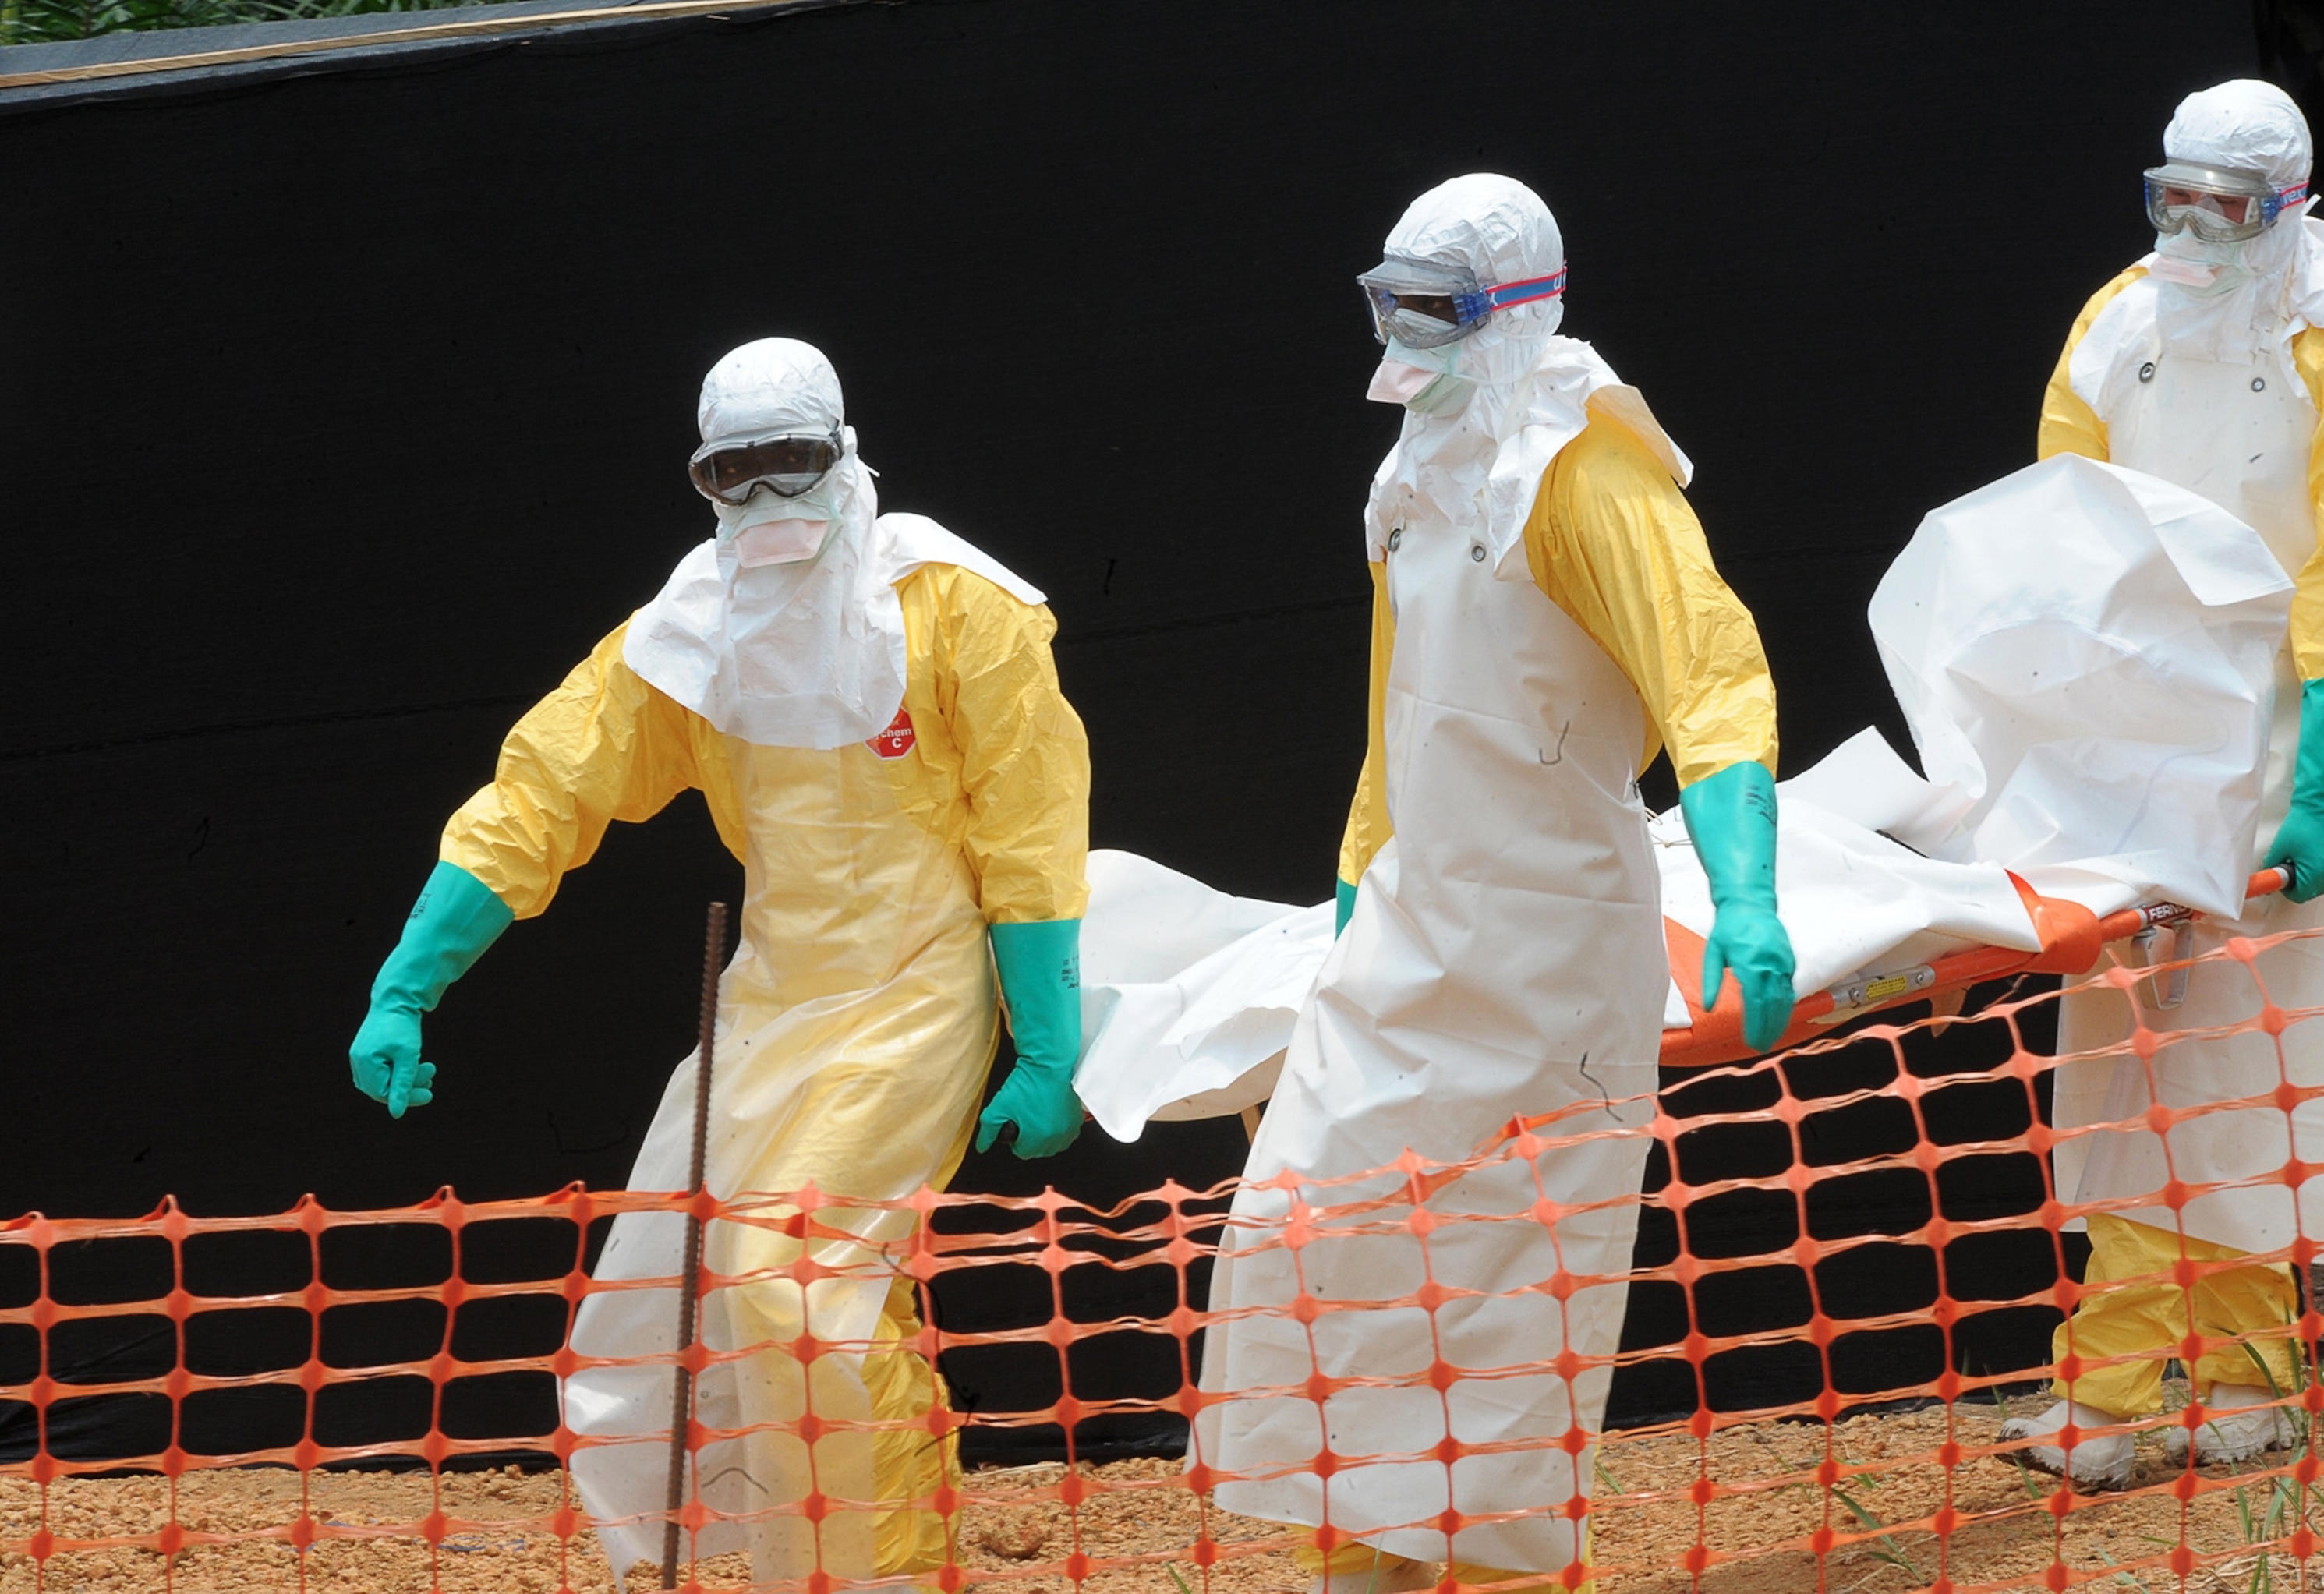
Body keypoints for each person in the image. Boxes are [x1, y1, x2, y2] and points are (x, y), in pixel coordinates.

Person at [344, 338, 1091, 1585]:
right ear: (702, 479)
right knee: (664, 1310)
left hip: (917, 989)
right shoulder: (690, 635)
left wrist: (1046, 1037)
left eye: (789, 462)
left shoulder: (957, 606)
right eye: (731, 473)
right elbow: (542, 792)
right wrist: (408, 981)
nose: (764, 498)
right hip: (770, 1002)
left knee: (793, 1277)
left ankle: (889, 1571)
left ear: (843, 448)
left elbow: (1030, 830)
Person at [1194, 175, 1794, 1592]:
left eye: (1434, 307)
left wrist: (1749, 893)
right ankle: (1369, 1558)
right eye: (1387, 300)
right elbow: (1401, 708)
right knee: (1310, 1235)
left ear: (1518, 309)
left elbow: (1709, 684)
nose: (1403, 335)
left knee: (1513, 1307)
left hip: (1552, 961)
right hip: (1411, 935)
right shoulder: (1411, 477)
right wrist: (1359, 875)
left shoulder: (1592, 475)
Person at [2001, 80, 2324, 1487]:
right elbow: (2061, 520)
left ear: (2287, 206)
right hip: (2138, 730)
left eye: (2222, 208)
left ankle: (2229, 1378)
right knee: (2118, 1066)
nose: (2190, 228)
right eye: (2170, 196)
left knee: (2242, 1066)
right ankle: (2124, 1386)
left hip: (2287, 736)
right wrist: (2053, 726)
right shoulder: (2120, 319)